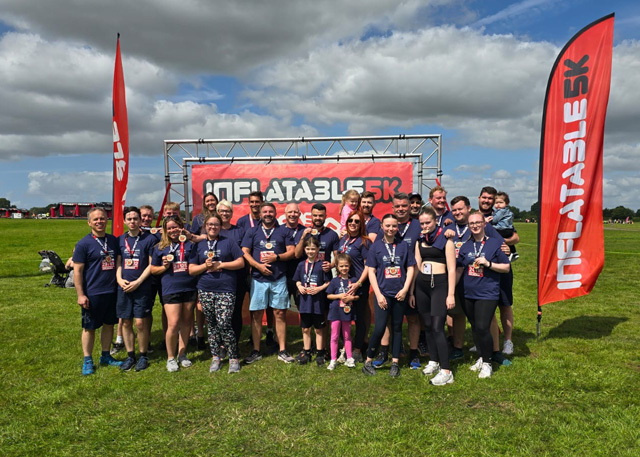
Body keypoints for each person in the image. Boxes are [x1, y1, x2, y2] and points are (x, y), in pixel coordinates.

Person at [456, 212, 510, 379]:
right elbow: (459, 269)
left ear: (484, 224)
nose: (475, 225)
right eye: (471, 223)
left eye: (478, 222)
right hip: (468, 292)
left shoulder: (495, 244)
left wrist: (489, 264)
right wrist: (450, 290)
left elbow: (506, 267)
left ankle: (487, 363)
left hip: (487, 292)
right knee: (474, 326)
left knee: (482, 327)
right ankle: (481, 356)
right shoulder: (465, 246)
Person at [189, 214, 245, 373]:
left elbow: (240, 262)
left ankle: (233, 357)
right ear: (205, 226)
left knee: (224, 322)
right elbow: (191, 269)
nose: (213, 227)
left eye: (216, 225)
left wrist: (222, 264)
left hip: (226, 289)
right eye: (210, 224)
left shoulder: (228, 242)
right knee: (212, 324)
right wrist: (204, 267)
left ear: (220, 227)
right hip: (205, 288)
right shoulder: (199, 245)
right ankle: (216, 357)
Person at [362, 213, 416, 378]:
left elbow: (411, 267)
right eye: (388, 226)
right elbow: (371, 271)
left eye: (394, 226)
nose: (391, 229)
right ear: (382, 227)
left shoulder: (403, 246)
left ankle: (395, 363)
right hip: (383, 295)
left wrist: (406, 289)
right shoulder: (376, 246)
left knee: (398, 327)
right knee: (379, 328)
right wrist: (378, 294)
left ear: (397, 227)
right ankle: (368, 362)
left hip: (399, 294)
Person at [242, 202, 296, 364]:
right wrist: (258, 265)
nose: (267, 214)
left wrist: (277, 258)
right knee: (257, 315)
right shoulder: (252, 231)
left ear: (275, 213)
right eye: (265, 211)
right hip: (258, 279)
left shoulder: (283, 231)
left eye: (270, 212)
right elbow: (245, 252)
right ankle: (256, 351)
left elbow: (292, 251)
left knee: (279, 314)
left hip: (278, 279)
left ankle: (282, 350)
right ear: (260, 212)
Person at [373, 192, 422, 369]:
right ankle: (385, 351)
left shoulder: (418, 225)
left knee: (413, 318)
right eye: (398, 206)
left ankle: (414, 353)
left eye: (404, 206)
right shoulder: (386, 227)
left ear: (410, 207)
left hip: (412, 281)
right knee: (388, 321)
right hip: (389, 284)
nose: (401, 209)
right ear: (393, 208)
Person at [409, 207, 456, 386]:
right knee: (427, 326)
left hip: (440, 286)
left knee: (437, 327)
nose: (425, 226)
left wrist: (450, 294)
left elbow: (452, 269)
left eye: (428, 222)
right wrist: (412, 291)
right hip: (422, 287)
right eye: (422, 223)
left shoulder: (446, 240)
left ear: (436, 221)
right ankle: (434, 361)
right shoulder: (420, 241)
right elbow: (416, 267)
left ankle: (446, 371)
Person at [73, 207, 123, 375]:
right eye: (95, 219)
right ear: (89, 223)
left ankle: (106, 355)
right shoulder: (83, 244)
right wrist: (81, 294)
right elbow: (78, 271)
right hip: (93, 292)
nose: (99, 221)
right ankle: (87, 360)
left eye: (102, 218)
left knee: (109, 325)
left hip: (111, 291)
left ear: (106, 220)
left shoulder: (113, 240)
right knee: (90, 327)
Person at [150, 215, 198, 372]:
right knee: (173, 323)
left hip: (189, 287)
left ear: (181, 227)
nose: (173, 231)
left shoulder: (190, 245)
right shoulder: (160, 248)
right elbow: (153, 269)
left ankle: (182, 354)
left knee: (186, 322)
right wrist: (164, 267)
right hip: (171, 288)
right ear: (165, 230)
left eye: (175, 227)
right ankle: (171, 358)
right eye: (169, 228)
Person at [295, 203, 340, 365]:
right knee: (306, 319)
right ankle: (307, 349)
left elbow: (338, 257)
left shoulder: (332, 235)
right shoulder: (304, 233)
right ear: (311, 216)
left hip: (323, 281)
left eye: (321, 215)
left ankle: (323, 349)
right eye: (315, 215)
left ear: (325, 216)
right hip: (306, 281)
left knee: (323, 316)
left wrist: (332, 265)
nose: (318, 218)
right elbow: (296, 254)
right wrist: (302, 237)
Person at [115, 207, 156, 372]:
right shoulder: (120, 240)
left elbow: (152, 264)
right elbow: (118, 263)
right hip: (124, 286)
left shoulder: (149, 239)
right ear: (125, 221)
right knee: (125, 322)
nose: (132, 221)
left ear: (140, 221)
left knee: (140, 322)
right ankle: (130, 355)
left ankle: (143, 355)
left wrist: (138, 282)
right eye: (129, 219)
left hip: (142, 286)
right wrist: (119, 280)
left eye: (135, 219)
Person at [478, 186, 518, 356]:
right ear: (479, 198)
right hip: (481, 268)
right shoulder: (474, 215)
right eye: (484, 198)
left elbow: (515, 236)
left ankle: (508, 341)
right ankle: (485, 339)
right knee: (484, 305)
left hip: (501, 267)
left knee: (505, 303)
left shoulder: (500, 215)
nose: (487, 201)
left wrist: (506, 243)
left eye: (490, 199)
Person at [337, 209, 370, 362]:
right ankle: (346, 348)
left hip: (358, 285)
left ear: (361, 224)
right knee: (344, 317)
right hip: (344, 285)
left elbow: (368, 266)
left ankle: (357, 350)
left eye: (357, 221)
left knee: (359, 318)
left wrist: (358, 283)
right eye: (351, 220)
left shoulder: (364, 241)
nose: (353, 224)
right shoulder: (343, 239)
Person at [293, 237, 330, 365]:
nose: (310, 251)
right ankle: (307, 352)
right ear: (304, 250)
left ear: (318, 249)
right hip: (304, 302)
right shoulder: (301, 264)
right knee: (305, 329)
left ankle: (320, 353)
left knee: (319, 329)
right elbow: (297, 279)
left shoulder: (322, 265)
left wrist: (319, 289)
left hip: (317, 302)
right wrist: (299, 286)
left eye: (313, 249)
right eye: (308, 249)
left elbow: (328, 282)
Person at [216, 200, 247, 344]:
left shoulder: (239, 230)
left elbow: (243, 253)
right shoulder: (212, 230)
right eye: (222, 211)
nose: (224, 213)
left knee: (235, 311)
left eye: (227, 211)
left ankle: (234, 343)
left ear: (232, 213)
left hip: (237, 278)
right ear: (217, 213)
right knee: (219, 313)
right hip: (217, 278)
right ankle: (221, 344)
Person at [326, 253, 358, 370]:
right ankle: (333, 359)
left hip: (347, 312)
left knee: (347, 335)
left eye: (346, 266)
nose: (344, 268)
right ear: (337, 267)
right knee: (334, 336)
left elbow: (358, 296)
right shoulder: (334, 281)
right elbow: (328, 296)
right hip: (335, 312)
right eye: (341, 266)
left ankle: (349, 358)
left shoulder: (353, 281)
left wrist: (353, 298)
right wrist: (339, 296)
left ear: (349, 266)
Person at [490, 191, 519, 261]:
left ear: (506, 203)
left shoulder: (501, 211)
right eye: (496, 203)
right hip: (509, 229)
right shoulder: (508, 211)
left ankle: (506, 254)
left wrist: (490, 220)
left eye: (501, 202)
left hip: (502, 229)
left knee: (491, 231)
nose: (498, 205)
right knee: (507, 239)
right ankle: (514, 252)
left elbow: (495, 220)